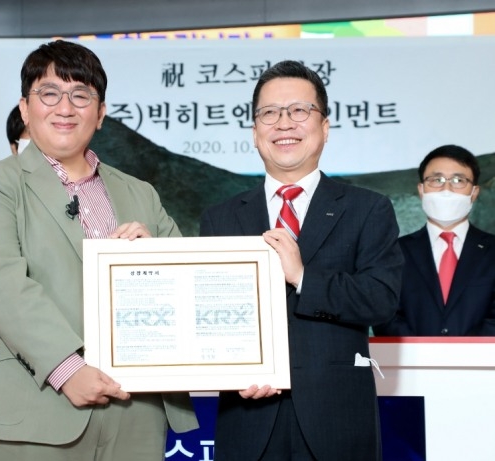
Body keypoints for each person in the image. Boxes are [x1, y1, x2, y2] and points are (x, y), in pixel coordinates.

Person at [0, 39, 197, 461]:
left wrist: (154, 259)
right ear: (25, 108)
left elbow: (188, 285)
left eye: (81, 95)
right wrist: (67, 369)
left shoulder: (141, 193)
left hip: (135, 409)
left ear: (100, 114)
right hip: (32, 410)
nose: (65, 108)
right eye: (49, 93)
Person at [200, 60, 403, 461]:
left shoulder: (368, 209)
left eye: (299, 111)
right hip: (247, 416)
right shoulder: (220, 217)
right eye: (270, 113)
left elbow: (381, 300)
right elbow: (206, 315)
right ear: (255, 132)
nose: (283, 123)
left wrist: (304, 277)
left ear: (324, 127)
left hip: (337, 419)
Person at [374, 145, 495, 336]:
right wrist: (421, 350)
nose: (446, 189)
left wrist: (467, 350)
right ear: (421, 190)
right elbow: (385, 314)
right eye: (436, 180)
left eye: (458, 180)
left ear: (474, 192)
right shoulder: (394, 252)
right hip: (409, 354)